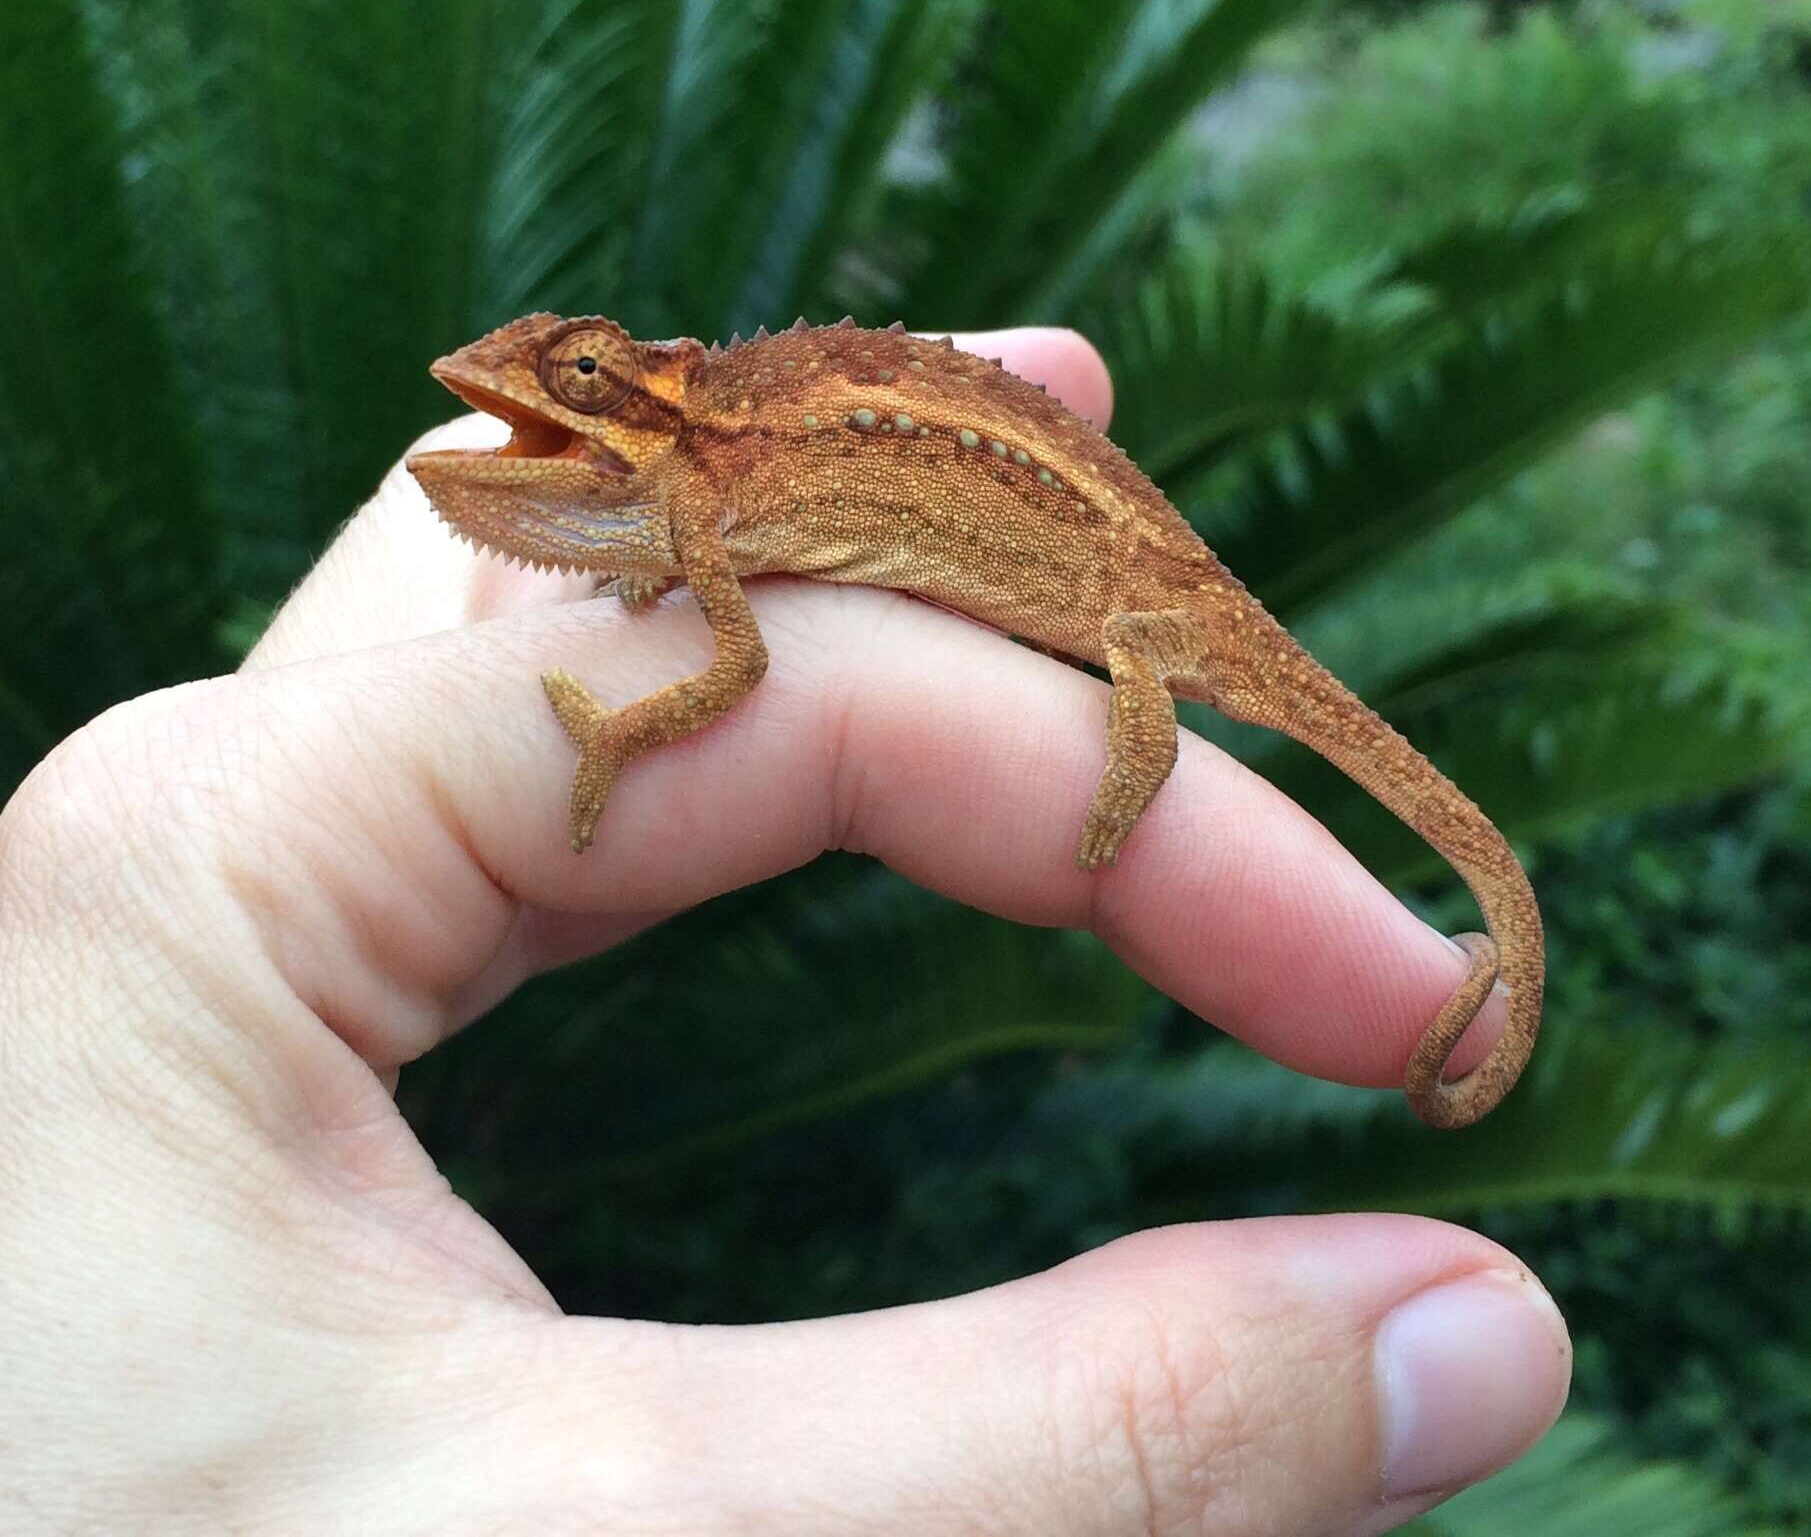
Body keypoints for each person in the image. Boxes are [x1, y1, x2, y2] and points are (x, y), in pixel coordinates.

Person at [0, 328, 1568, 1533]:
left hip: (1143, 609)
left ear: (659, 407)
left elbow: (737, 675)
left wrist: (612, 740)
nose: (530, 417)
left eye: (588, 380)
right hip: (1083, 565)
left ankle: (1180, 768)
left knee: (1171, 719)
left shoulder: (708, 486)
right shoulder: (692, 502)